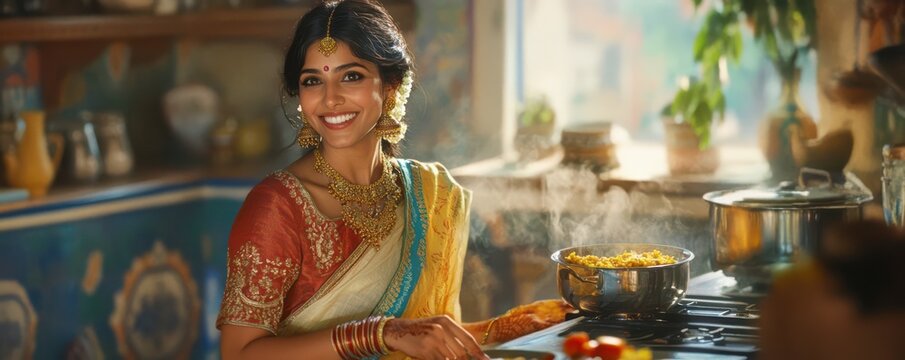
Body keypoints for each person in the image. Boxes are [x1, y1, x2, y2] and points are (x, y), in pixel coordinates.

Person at [216, 1, 570, 359]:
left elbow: (420, 336)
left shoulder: (428, 192)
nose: (331, 98)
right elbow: (239, 354)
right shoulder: (277, 207)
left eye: (350, 76)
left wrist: (508, 328)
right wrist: (376, 333)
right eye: (313, 81)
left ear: (390, 86)